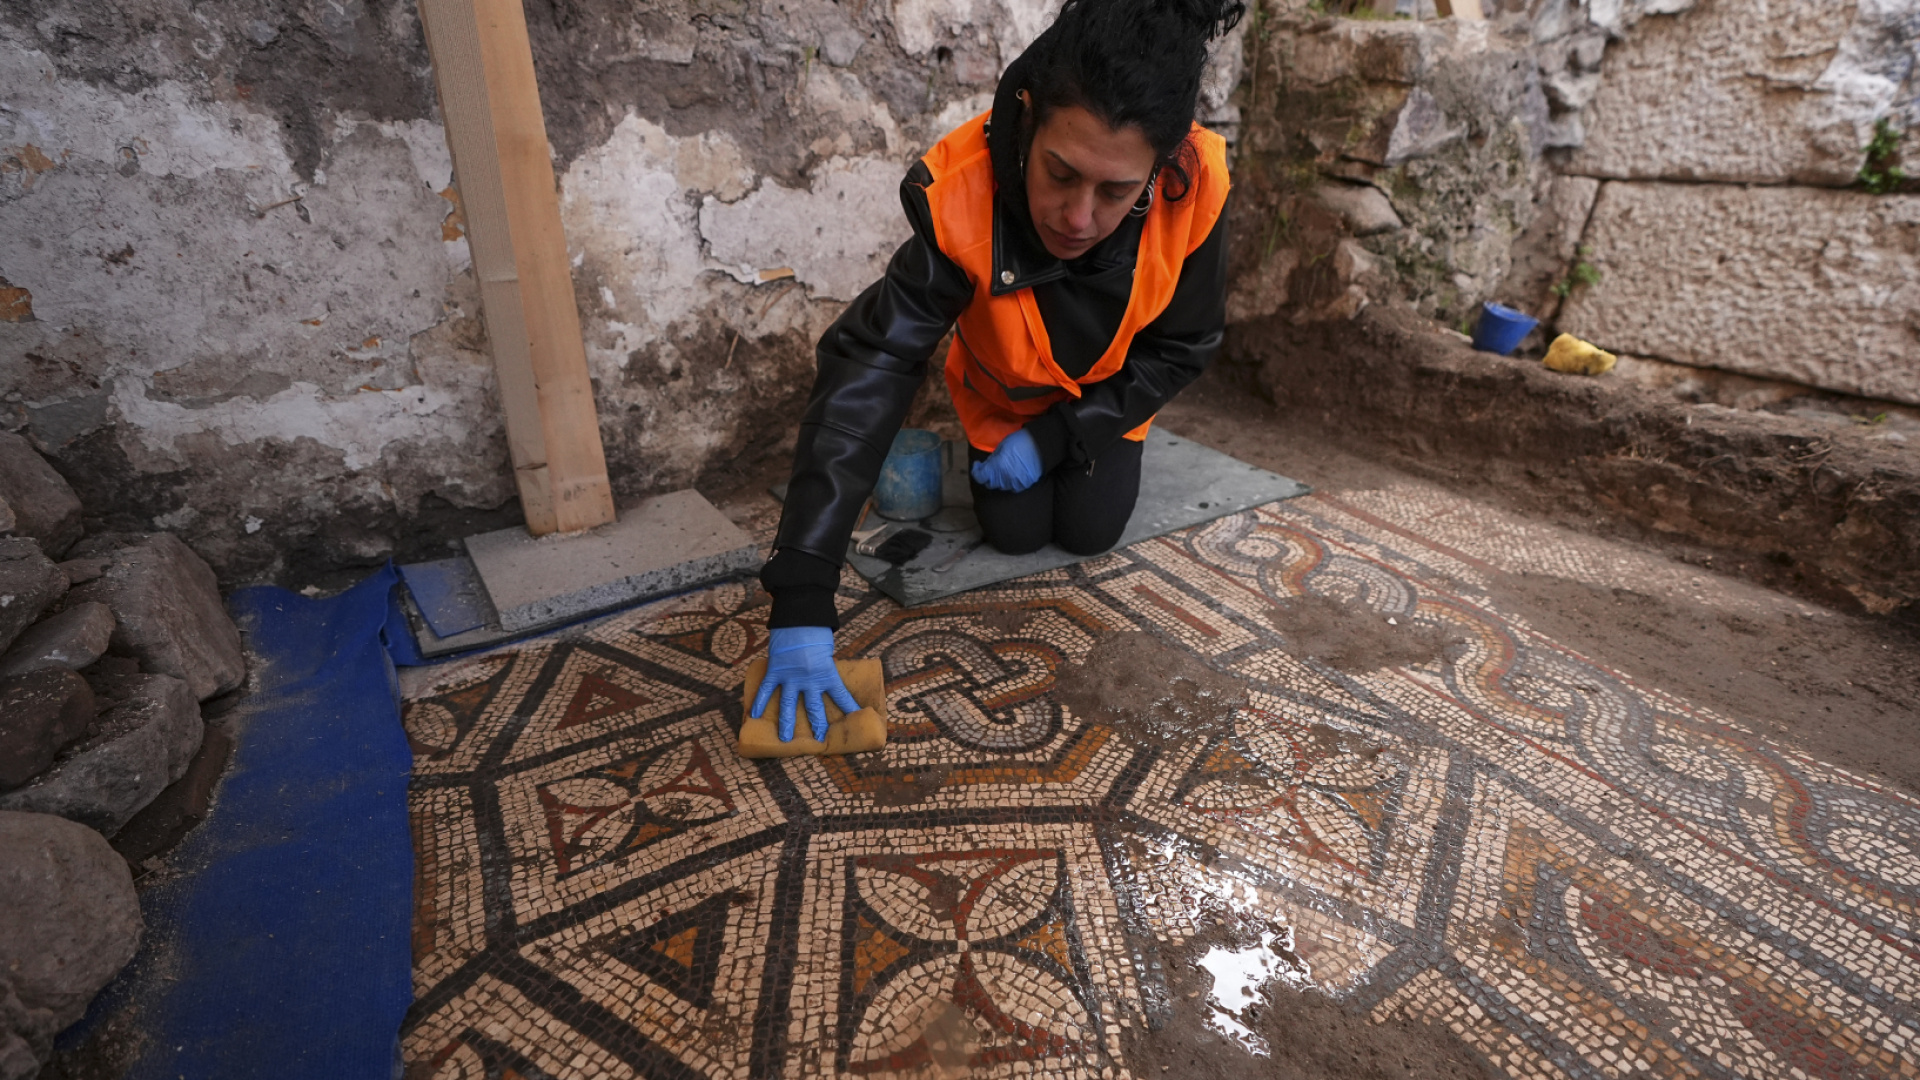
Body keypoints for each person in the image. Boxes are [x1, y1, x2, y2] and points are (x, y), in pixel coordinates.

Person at [750, 0, 1245, 740]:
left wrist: (1059, 439)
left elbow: (1181, 347)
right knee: (1013, 534)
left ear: (1162, 166)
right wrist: (802, 591)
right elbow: (874, 361)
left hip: (1109, 402)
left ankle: (1067, 452)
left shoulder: (1195, 184)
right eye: (1060, 173)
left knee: (1090, 532)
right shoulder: (959, 193)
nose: (1078, 217)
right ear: (1027, 120)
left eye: (1117, 191)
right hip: (1002, 401)